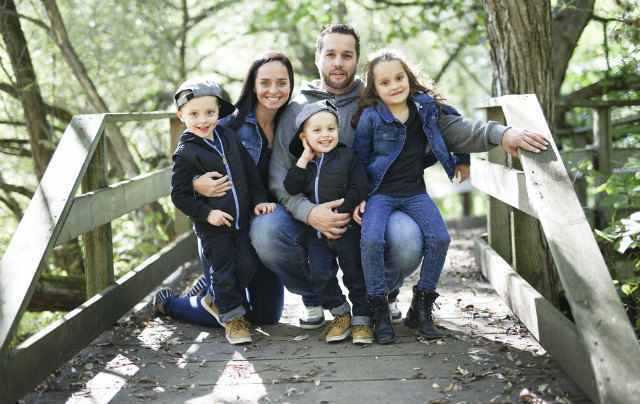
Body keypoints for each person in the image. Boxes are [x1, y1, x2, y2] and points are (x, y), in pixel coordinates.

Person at [353, 49, 549, 343]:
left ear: (409, 78)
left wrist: (478, 148)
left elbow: (457, 128)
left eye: (399, 77)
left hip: (414, 192)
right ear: (375, 89)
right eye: (384, 82)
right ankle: (379, 308)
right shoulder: (370, 118)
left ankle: (421, 308)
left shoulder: (426, 109)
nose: (394, 85)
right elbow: (358, 159)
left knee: (440, 238)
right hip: (379, 194)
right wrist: (359, 196)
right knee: (370, 240)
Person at [157, 52, 294, 331]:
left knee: (267, 317)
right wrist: (196, 185)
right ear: (252, 86)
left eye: (282, 82)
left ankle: (210, 290)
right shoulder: (229, 126)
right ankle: (172, 303)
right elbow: (180, 182)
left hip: (259, 227)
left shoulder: (294, 122)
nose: (273, 90)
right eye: (265, 82)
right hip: (220, 230)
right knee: (226, 309)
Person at [283, 100, 372, 344]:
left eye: (330, 129)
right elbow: (290, 187)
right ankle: (340, 313)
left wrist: (342, 211)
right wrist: (304, 157)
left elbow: (360, 186)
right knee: (320, 274)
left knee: (355, 273)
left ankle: (362, 319)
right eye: (317, 130)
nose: (325, 135)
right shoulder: (304, 164)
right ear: (304, 136)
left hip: (346, 228)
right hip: (316, 234)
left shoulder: (347, 156)